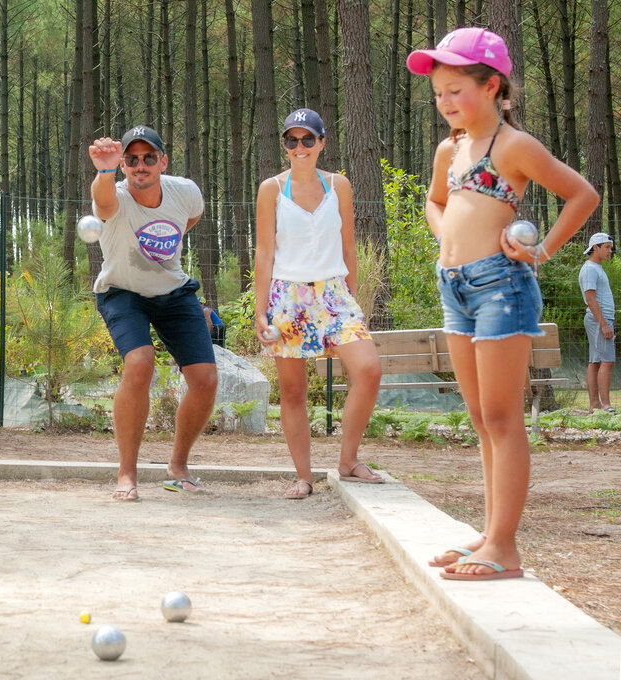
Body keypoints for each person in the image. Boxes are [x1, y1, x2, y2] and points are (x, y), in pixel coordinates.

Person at [407, 27, 599, 580]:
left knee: (501, 416)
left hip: (502, 286)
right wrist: (446, 241)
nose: (445, 102)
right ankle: (490, 534)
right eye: (438, 92)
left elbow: (582, 193)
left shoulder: (513, 145)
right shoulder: (452, 147)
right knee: (478, 417)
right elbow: (435, 201)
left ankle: (505, 549)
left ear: (492, 85)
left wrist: (541, 250)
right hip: (456, 287)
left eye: (455, 89)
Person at [254, 108, 383, 500]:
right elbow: (264, 252)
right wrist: (261, 310)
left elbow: (348, 245)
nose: (299, 147)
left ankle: (348, 461)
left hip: (333, 294)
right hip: (287, 296)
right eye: (291, 140)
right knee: (293, 392)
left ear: (322, 143)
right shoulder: (271, 189)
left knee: (369, 369)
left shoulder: (338, 185)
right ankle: (304, 477)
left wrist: (351, 298)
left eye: (307, 139)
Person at [88, 125, 218, 501]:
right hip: (122, 293)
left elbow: (187, 221)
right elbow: (103, 202)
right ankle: (127, 473)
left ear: (163, 161)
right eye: (131, 159)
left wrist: (160, 258)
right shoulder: (114, 194)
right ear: (123, 165)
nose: (140, 165)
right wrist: (104, 169)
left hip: (173, 292)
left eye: (148, 158)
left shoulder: (186, 192)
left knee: (206, 378)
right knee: (141, 362)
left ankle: (178, 468)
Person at [580, 232, 615, 413]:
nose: (610, 250)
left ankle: (595, 405)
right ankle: (606, 405)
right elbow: (590, 298)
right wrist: (603, 323)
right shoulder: (590, 269)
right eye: (607, 247)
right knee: (606, 361)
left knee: (596, 361)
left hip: (602, 319)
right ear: (596, 247)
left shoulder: (596, 268)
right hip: (599, 320)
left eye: (610, 247)